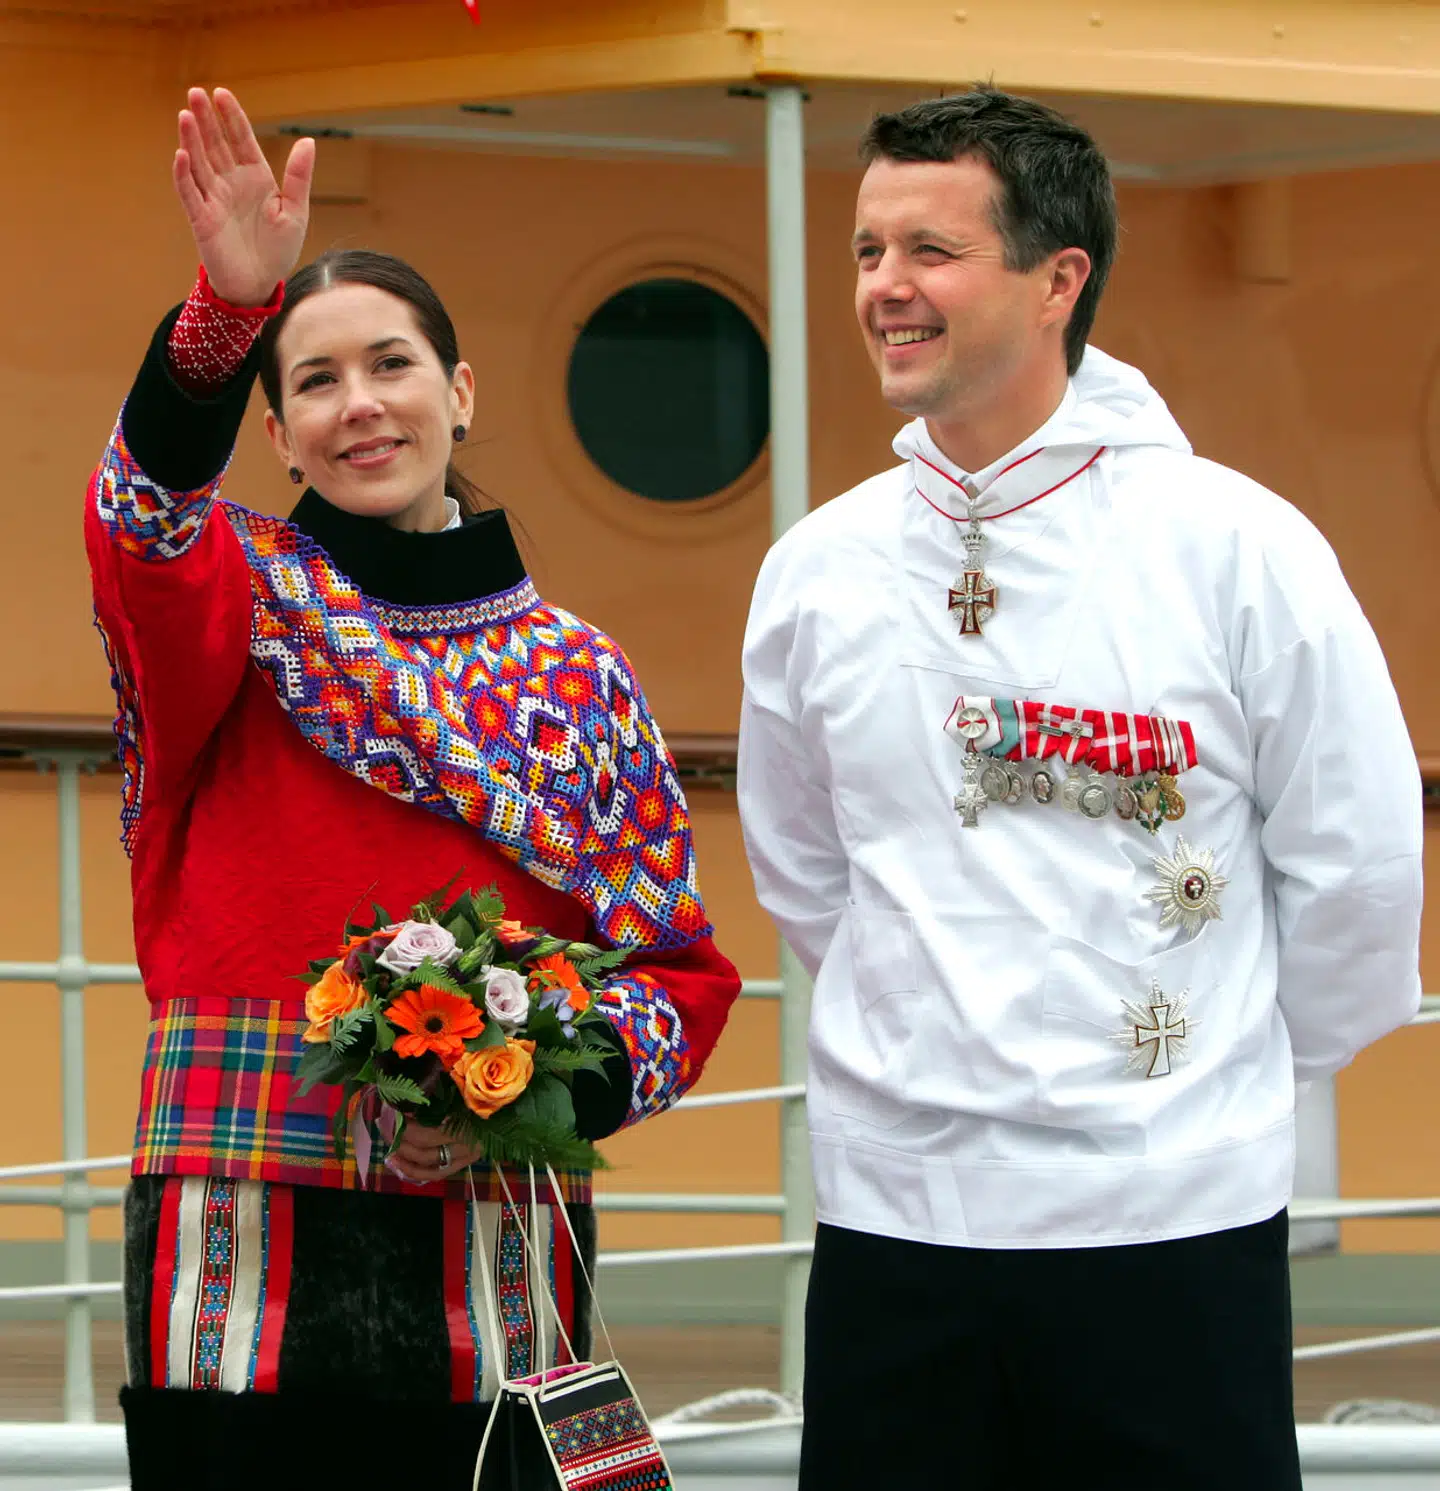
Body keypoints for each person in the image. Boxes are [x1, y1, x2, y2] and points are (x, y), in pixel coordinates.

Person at [737, 87, 1423, 1490]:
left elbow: (1356, 871)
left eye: (930, 250)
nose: (883, 288)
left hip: (1174, 1225)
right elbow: (806, 867)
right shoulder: (820, 569)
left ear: (1060, 280)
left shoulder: (1235, 547)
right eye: (868, 251)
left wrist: (1206, 1081)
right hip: (897, 1223)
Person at [89, 87, 740, 1489]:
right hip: (238, 1222)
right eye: (315, 381)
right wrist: (224, 315)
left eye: (391, 364)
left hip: (494, 1231)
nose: (361, 405)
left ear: (462, 392)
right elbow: (141, 517)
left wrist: (532, 1081)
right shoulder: (232, 603)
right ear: (276, 432)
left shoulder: (580, 674)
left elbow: (679, 980)